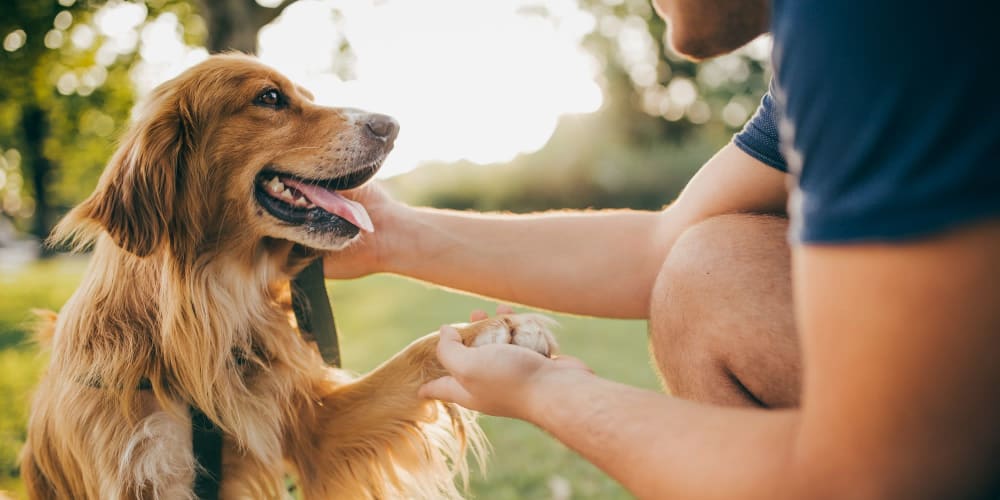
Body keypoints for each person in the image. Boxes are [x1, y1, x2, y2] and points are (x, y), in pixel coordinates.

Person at [325, 0, 1000, 497]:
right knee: (712, 269)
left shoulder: (871, 22)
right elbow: (662, 244)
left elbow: (873, 474)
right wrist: (392, 236)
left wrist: (549, 392)